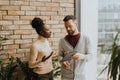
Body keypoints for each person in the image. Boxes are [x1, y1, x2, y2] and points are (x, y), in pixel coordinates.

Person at [58, 15, 93, 80]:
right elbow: (60, 55)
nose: (68, 29)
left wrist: (80, 56)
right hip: (66, 76)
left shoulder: (86, 39)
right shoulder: (62, 40)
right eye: (66, 27)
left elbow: (90, 56)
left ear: (76, 24)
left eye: (70, 26)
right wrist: (62, 62)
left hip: (80, 76)